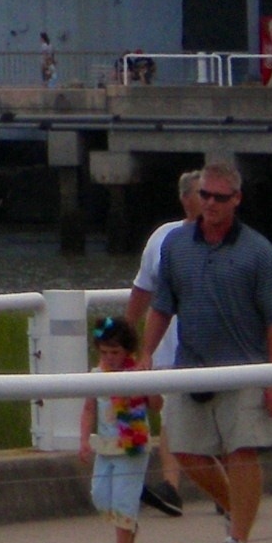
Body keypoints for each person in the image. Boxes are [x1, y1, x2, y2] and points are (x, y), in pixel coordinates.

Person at [139, 156, 272, 543]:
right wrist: (144, 357)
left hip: (246, 368)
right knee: (188, 453)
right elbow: (161, 306)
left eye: (219, 197)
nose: (209, 203)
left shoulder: (258, 252)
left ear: (236, 200)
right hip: (192, 366)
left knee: (242, 451)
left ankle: (237, 541)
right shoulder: (175, 245)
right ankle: (235, 508)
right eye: (203, 195)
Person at [120, 169, 203, 518]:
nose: (211, 201)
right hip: (168, 345)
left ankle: (228, 491)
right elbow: (143, 290)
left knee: (214, 418)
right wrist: (126, 339)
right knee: (171, 415)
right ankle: (171, 487)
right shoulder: (162, 238)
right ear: (186, 199)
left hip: (213, 343)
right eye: (204, 194)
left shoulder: (229, 239)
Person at [77, 318, 151, 543]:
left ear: (127, 352)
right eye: (104, 352)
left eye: (115, 352)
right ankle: (128, 527)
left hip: (132, 446)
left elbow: (157, 404)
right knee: (99, 495)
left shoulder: (136, 375)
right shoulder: (96, 376)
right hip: (106, 447)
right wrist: (84, 440)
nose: (109, 357)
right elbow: (88, 409)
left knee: (123, 497)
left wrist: (146, 386)